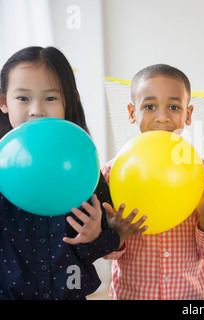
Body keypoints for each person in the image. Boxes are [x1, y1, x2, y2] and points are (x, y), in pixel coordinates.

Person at [0, 46, 120, 299]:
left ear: (70, 99)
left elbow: (104, 244)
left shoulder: (81, 167)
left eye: (50, 98)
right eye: (23, 98)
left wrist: (96, 235)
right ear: (3, 102)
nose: (36, 110)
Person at [101, 64, 204, 300]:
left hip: (189, 297)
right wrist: (117, 234)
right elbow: (105, 254)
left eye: (174, 107)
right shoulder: (111, 174)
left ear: (188, 113)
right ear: (132, 111)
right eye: (150, 106)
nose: (162, 116)